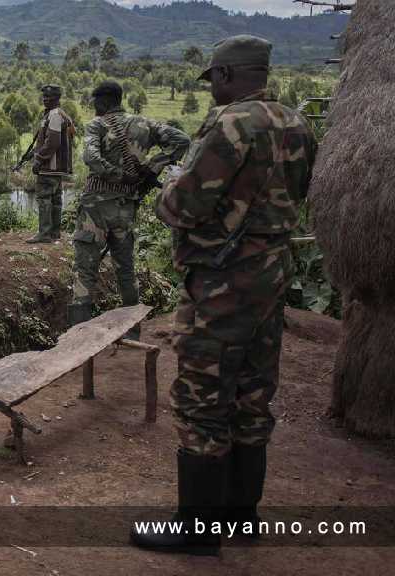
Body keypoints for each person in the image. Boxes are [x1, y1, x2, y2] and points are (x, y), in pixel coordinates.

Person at [130, 35, 317, 555]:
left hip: (222, 280)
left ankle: (196, 530)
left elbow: (182, 207)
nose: (212, 87)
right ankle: (239, 517)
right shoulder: (297, 122)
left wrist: (170, 182)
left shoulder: (231, 124)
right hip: (271, 274)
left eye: (212, 77)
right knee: (254, 391)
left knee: (202, 395)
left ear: (228, 76)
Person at [68, 81, 189, 335]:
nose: (94, 107)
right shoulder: (144, 124)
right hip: (125, 209)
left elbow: (90, 157)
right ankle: (133, 332)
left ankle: (77, 338)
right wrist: (152, 166)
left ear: (103, 101)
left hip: (96, 208)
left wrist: (116, 174)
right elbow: (181, 140)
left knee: (85, 271)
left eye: (95, 102)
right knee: (125, 269)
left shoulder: (97, 125)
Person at [26, 84, 75, 244]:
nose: (45, 100)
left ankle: (45, 233)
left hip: (49, 167)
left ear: (56, 99)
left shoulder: (54, 115)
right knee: (56, 199)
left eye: (49, 97)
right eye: (44, 97)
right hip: (58, 168)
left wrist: (38, 159)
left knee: (44, 198)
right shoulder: (62, 114)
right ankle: (54, 233)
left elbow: (52, 142)